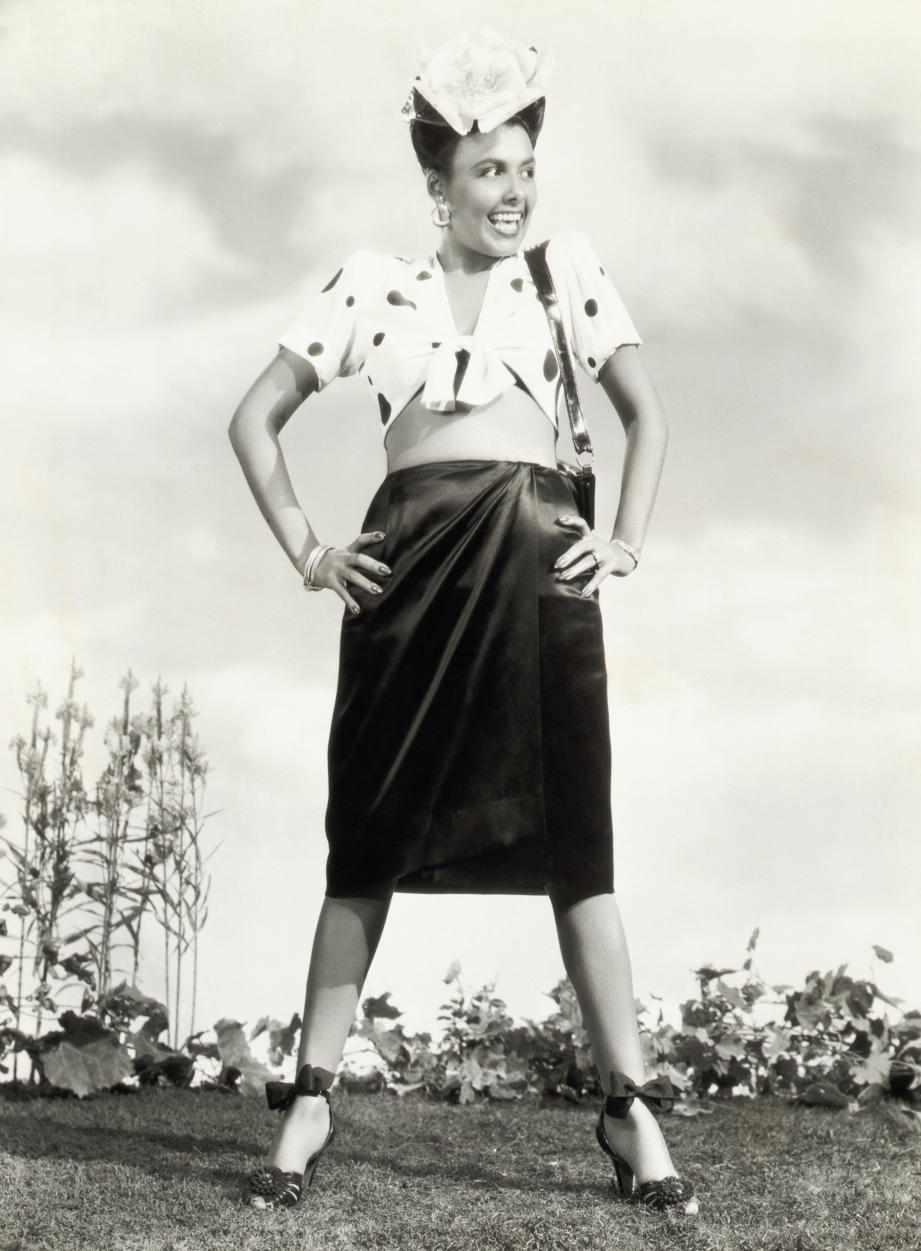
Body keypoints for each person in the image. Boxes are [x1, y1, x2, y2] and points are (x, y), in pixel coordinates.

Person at [228, 30, 695, 1215]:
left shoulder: (565, 271)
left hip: (540, 575)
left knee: (575, 847)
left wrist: (623, 542)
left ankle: (629, 1109)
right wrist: (310, 551)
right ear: (438, 185)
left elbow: (648, 417)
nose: (514, 191)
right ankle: (312, 1099)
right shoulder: (368, 284)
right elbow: (254, 419)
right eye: (489, 171)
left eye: (525, 168)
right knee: (365, 842)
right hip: (408, 574)